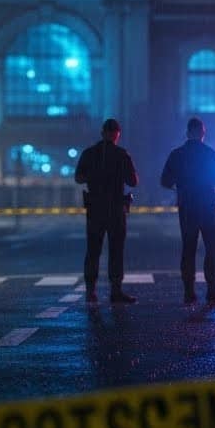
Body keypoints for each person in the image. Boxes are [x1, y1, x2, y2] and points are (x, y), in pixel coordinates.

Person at [160, 117, 215, 304]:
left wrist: (180, 187)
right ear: (203, 132)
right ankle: (213, 289)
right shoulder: (210, 154)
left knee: (188, 249)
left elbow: (165, 181)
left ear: (187, 133)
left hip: (187, 208)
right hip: (207, 208)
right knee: (212, 248)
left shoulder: (177, 154)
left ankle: (189, 291)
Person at [75, 118, 138, 304]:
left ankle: (90, 291)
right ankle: (116, 291)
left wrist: (94, 176)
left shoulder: (89, 153)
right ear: (117, 134)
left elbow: (78, 178)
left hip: (95, 208)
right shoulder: (121, 154)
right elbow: (133, 181)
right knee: (116, 251)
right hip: (116, 209)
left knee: (93, 250)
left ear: (102, 132)